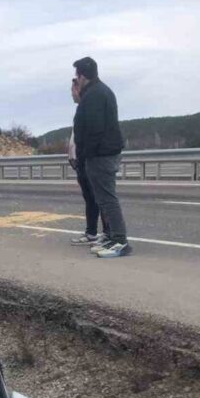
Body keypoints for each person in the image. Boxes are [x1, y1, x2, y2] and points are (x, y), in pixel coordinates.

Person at [73, 56, 130, 258]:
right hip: (101, 153)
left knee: (107, 199)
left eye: (76, 75)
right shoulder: (97, 91)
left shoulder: (95, 94)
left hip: (100, 155)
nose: (76, 79)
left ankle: (120, 241)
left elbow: (94, 129)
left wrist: (86, 155)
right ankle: (111, 235)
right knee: (102, 198)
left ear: (82, 76)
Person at [67, 77, 109, 246]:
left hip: (89, 160)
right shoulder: (81, 109)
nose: (71, 95)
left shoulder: (89, 106)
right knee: (90, 198)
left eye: (72, 90)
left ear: (78, 89)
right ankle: (91, 232)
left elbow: (89, 135)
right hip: (80, 162)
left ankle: (108, 232)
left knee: (100, 197)